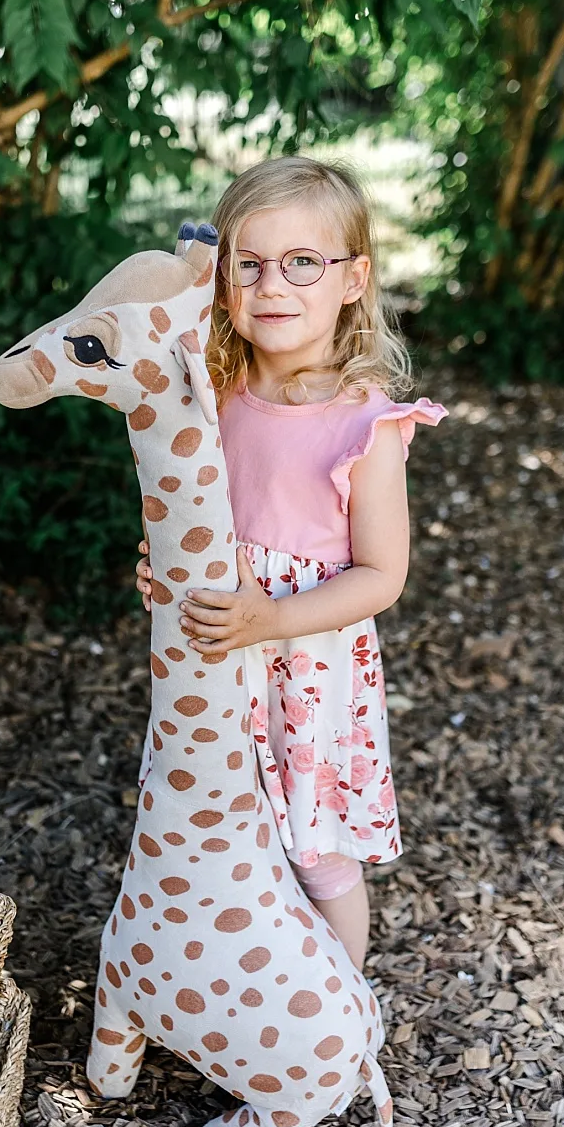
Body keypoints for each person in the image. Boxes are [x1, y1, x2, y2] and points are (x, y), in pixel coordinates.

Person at [136, 156, 446, 976]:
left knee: (312, 851)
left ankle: (338, 1014)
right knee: (225, 832)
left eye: (302, 262)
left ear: (352, 279)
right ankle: (245, 996)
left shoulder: (365, 424)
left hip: (303, 670)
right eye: (250, 262)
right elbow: (199, 523)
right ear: (225, 279)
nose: (273, 285)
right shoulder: (214, 395)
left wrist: (271, 618)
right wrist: (166, 566)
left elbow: (382, 576)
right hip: (217, 668)